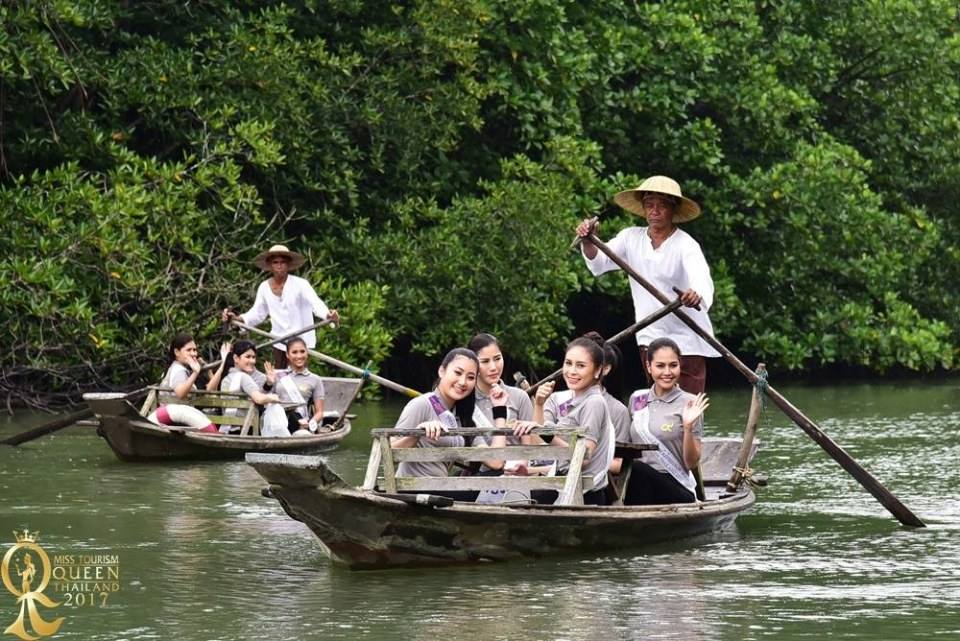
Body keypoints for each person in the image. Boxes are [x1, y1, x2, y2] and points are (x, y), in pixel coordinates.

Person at [575, 175, 719, 394]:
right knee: (659, 404)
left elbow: (701, 280)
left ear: (673, 210)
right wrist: (588, 240)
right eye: (649, 205)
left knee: (687, 406)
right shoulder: (630, 238)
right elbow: (599, 263)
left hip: (687, 340)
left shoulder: (686, 245)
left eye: (662, 205)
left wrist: (694, 295)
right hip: (650, 336)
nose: (655, 211)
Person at [220, 244, 339, 369]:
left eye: (283, 262)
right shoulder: (264, 287)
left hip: (299, 341)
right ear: (270, 265)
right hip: (278, 340)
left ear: (288, 264)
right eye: (275, 262)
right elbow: (257, 313)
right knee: (281, 377)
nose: (279, 265)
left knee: (299, 376)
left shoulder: (301, 284)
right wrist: (238, 319)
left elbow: (316, 303)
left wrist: (328, 315)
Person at [622, 337, 709, 505]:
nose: (667, 372)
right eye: (660, 366)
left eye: (673, 365)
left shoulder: (690, 402)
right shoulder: (637, 398)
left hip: (676, 486)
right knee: (636, 472)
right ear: (649, 367)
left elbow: (691, 462)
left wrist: (688, 427)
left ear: (680, 365)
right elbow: (627, 445)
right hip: (638, 484)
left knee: (638, 470)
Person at [532, 335, 615, 506]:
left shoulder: (594, 402)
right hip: (564, 485)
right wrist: (539, 405)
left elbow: (583, 458)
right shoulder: (572, 401)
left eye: (581, 366)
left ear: (598, 370)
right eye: (568, 363)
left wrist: (548, 435)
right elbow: (538, 444)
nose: (572, 371)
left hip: (583, 495)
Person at [220, 340, 281, 433]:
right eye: (248, 357)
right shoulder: (243, 377)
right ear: (236, 358)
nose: (252, 361)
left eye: (253, 357)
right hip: (245, 429)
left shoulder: (226, 378)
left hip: (228, 428)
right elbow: (259, 399)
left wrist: (268, 384)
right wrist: (274, 398)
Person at [273, 337, 326, 435]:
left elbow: (319, 412)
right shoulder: (277, 376)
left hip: (301, 424)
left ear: (307, 353)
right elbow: (263, 400)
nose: (299, 356)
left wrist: (311, 423)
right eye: (294, 352)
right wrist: (268, 382)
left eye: (302, 351)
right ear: (287, 355)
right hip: (277, 421)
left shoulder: (315, 379)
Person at [160, 333, 230, 400]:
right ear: (177, 352)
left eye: (194, 350)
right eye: (188, 350)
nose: (193, 353)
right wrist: (195, 372)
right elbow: (180, 393)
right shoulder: (178, 370)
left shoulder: (181, 368)